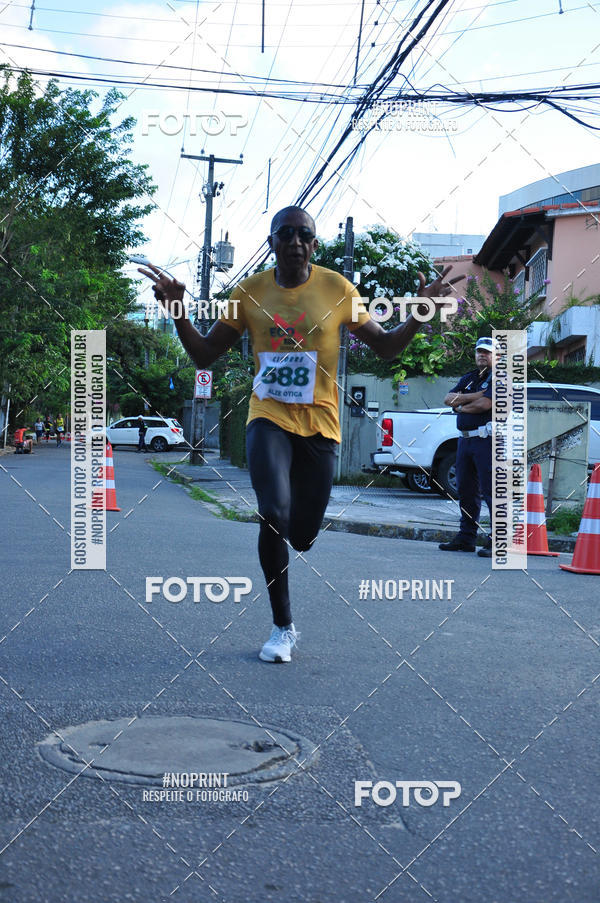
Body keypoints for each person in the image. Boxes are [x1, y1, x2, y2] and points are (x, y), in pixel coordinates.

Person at [139, 206, 462, 662]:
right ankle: (282, 626)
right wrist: (177, 311)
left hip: (322, 426)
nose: (294, 240)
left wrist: (420, 314)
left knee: (303, 534)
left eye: (303, 234)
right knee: (272, 512)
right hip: (267, 417)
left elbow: (387, 347)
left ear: (314, 244)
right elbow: (204, 355)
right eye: (285, 233)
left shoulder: (337, 289)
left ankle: (296, 541)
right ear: (272, 242)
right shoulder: (248, 294)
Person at [439, 336, 498, 558]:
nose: (482, 354)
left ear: (496, 356)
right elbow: (448, 399)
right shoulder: (469, 378)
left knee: (492, 491)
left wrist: (461, 406)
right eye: (479, 351)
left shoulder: (501, 378)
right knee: (466, 490)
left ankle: (497, 540)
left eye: (487, 352)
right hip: (465, 440)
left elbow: (486, 404)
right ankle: (466, 538)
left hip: (487, 440)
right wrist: (474, 395)